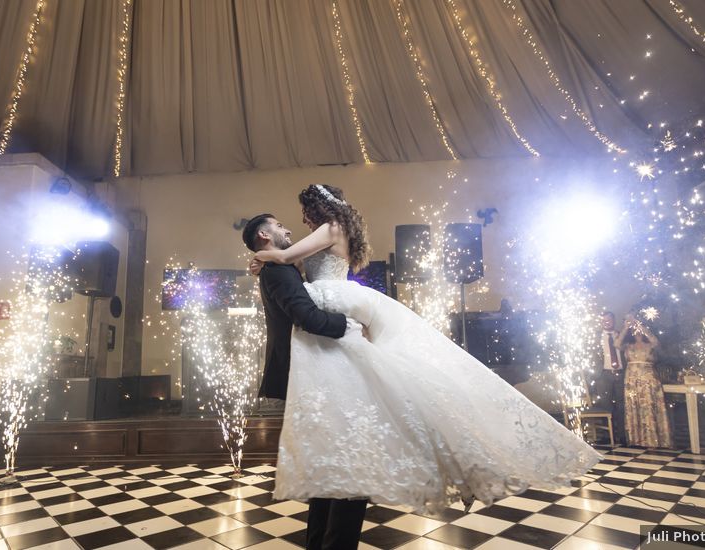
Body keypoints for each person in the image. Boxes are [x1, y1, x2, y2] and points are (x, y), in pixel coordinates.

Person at [248, 184, 602, 520]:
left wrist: (261, 257)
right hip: (335, 308)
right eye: (285, 222)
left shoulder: (331, 226)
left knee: (392, 382)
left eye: (304, 213)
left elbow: (284, 256)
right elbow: (293, 266)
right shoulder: (335, 228)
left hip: (334, 304)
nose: (302, 222)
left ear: (317, 205)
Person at [241, 214, 369, 550]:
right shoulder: (280, 270)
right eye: (279, 225)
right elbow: (307, 317)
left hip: (321, 372)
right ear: (263, 234)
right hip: (319, 376)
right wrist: (351, 324)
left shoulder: (283, 266)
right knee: (347, 469)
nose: (288, 229)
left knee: (330, 469)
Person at [619, 313, 672, 447]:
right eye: (634, 329)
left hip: (648, 379)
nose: (637, 332)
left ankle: (654, 439)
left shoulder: (650, 344)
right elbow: (616, 343)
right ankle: (637, 439)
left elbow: (655, 341)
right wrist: (626, 327)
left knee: (649, 406)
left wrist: (639, 324)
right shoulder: (627, 345)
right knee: (634, 406)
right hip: (632, 380)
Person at [594, 311, 626, 445]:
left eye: (609, 320)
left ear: (614, 320)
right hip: (604, 374)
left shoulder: (621, 335)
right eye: (604, 320)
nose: (607, 323)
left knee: (621, 404)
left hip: (620, 372)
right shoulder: (596, 337)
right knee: (606, 404)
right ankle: (608, 435)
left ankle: (623, 436)